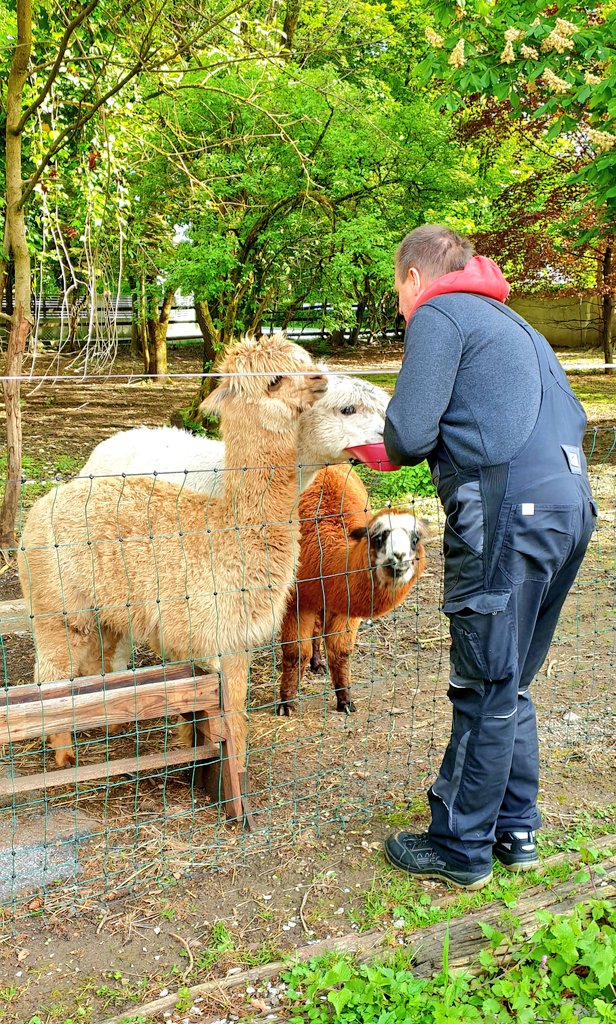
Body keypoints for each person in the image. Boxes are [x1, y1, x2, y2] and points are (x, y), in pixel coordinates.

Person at [382, 224, 597, 890]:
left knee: (482, 682)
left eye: (397, 292)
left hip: (506, 514)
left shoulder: (441, 313)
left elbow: (408, 434)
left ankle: (461, 846)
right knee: (511, 680)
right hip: (571, 508)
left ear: (416, 277)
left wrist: (380, 438)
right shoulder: (515, 325)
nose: (398, 307)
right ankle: (516, 830)